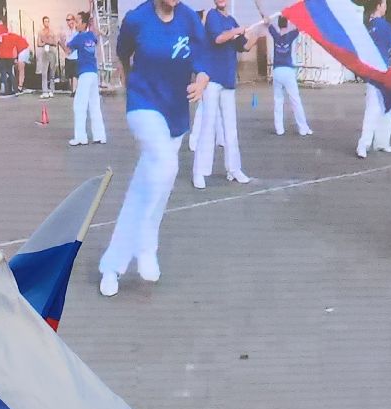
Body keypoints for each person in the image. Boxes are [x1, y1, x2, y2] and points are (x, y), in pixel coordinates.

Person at [96, 0, 208, 298]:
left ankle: (115, 263)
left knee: (150, 186)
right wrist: (128, 83)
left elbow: (203, 57)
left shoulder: (188, 19)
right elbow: (123, 54)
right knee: (166, 166)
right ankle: (142, 246)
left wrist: (202, 80)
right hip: (143, 105)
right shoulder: (137, 19)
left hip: (175, 113)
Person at [192, 0, 258, 188]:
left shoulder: (233, 20)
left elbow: (244, 46)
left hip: (228, 82)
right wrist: (237, 31)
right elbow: (218, 39)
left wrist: (259, 32)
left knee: (231, 129)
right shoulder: (213, 16)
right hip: (211, 79)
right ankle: (199, 172)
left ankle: (234, 169)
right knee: (207, 126)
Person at [356, 0, 391, 158]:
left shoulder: (367, 26)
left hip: (376, 72)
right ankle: (371, 143)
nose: (386, 7)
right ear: (379, 6)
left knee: (380, 107)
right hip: (380, 72)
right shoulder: (383, 25)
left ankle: (376, 143)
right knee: (383, 107)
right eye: (385, 4)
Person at [264, 15, 313, 135]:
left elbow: (267, 23)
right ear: (287, 24)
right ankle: (303, 128)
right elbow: (299, 27)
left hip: (277, 71)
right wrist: (294, 17)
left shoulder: (275, 35)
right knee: (295, 100)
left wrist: (266, 19)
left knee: (278, 100)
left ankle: (279, 129)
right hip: (287, 71)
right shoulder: (290, 35)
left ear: (279, 24)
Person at [66, 13, 108, 146]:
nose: (75, 23)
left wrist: (59, 41)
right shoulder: (91, 36)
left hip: (84, 74)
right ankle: (100, 135)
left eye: (77, 21)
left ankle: (81, 137)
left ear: (84, 24)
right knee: (94, 105)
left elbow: (68, 51)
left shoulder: (79, 37)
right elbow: (96, 36)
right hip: (93, 73)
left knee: (79, 105)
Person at [35, 16, 62, 98]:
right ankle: (45, 90)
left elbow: (55, 42)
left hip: (52, 51)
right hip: (44, 51)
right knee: (44, 71)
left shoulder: (52, 31)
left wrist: (48, 41)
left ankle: (51, 90)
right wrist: (45, 42)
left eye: (48, 21)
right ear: (43, 23)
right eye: (45, 21)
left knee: (52, 71)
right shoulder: (40, 32)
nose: (47, 23)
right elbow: (39, 43)